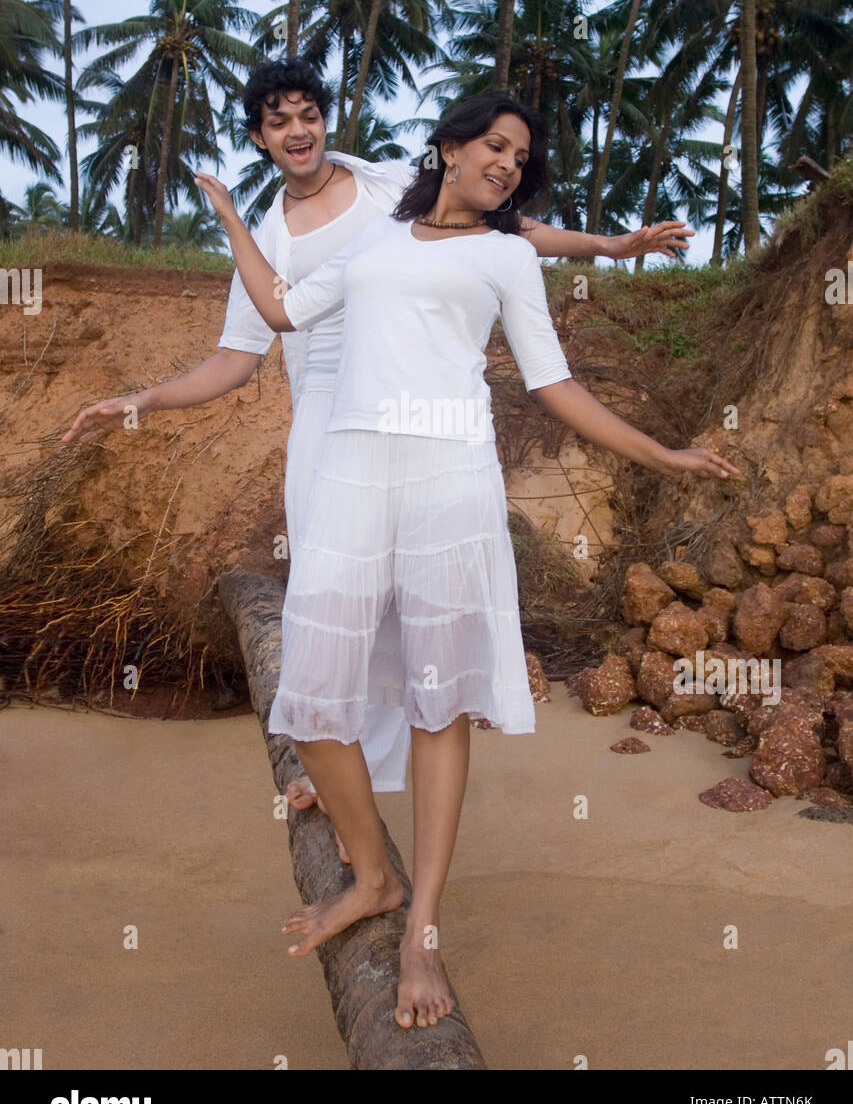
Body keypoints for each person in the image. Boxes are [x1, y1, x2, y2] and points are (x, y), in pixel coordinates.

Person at [194, 91, 741, 1030]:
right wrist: (235, 221)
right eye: (494, 144)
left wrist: (661, 451)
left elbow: (552, 381)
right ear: (448, 148)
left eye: (520, 156)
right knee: (314, 698)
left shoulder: (507, 254)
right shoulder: (374, 243)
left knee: (439, 702)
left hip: (452, 478)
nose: (506, 162)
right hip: (354, 473)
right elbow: (281, 311)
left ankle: (421, 932)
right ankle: (370, 875)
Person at [62, 59, 696, 859]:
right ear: (259, 138)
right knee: (332, 608)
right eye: (278, 120)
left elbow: (508, 231)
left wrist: (607, 245)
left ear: (324, 120)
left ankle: (373, 780)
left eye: (308, 114)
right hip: (327, 414)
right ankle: (339, 769)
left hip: (408, 401)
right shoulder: (265, 236)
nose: (298, 131)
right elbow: (241, 350)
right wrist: (143, 399)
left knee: (413, 609)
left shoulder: (388, 188)